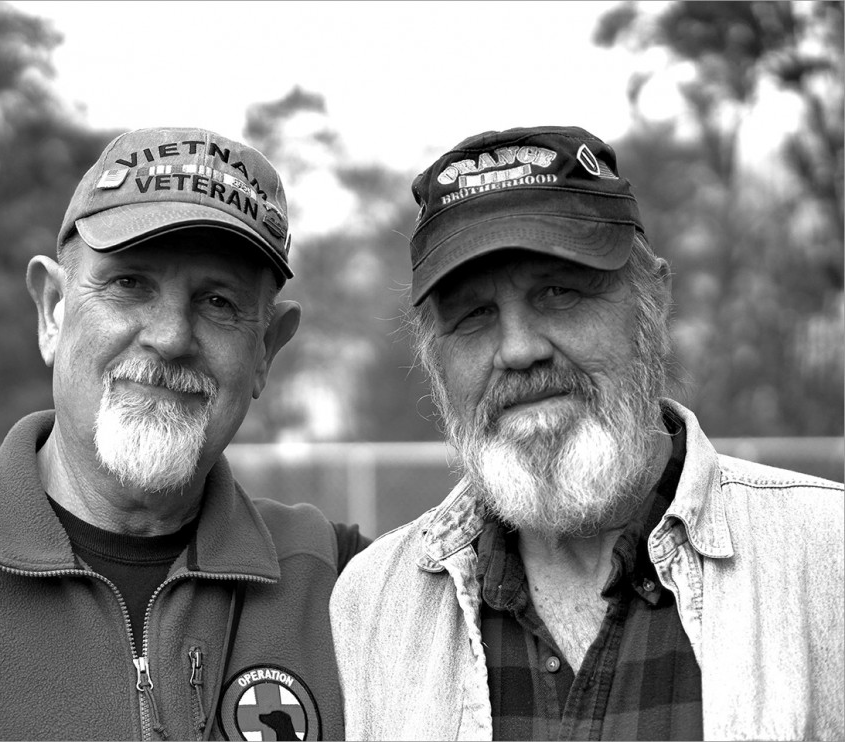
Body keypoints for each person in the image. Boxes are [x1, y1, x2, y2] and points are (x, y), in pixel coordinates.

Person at [0, 127, 369, 741]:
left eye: (218, 302)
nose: (171, 336)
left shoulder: (346, 587)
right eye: (130, 284)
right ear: (52, 307)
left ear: (265, 349)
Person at [329, 125, 844, 741]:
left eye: (559, 292)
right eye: (474, 314)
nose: (518, 350)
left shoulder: (825, 560)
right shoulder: (372, 606)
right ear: (434, 360)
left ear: (652, 301)